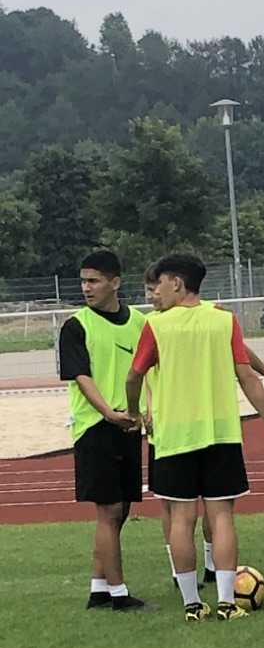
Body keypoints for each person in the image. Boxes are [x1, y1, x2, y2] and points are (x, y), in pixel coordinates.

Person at [126, 252, 264, 622]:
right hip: (221, 434)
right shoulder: (224, 320)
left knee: (181, 519)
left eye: (161, 283)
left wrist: (134, 412)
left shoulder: (156, 325)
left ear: (177, 283)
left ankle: (191, 604)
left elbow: (134, 375)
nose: (157, 291)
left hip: (175, 436)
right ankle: (226, 602)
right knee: (222, 517)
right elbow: (246, 377)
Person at [58, 249, 156, 612]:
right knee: (110, 510)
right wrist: (108, 413)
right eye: (83, 281)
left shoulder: (139, 323)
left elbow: (148, 371)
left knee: (122, 508)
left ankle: (99, 589)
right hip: (95, 428)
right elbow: (81, 377)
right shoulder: (76, 325)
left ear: (115, 283)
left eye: (94, 281)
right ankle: (119, 595)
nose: (86, 287)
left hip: (128, 426)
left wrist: (146, 409)